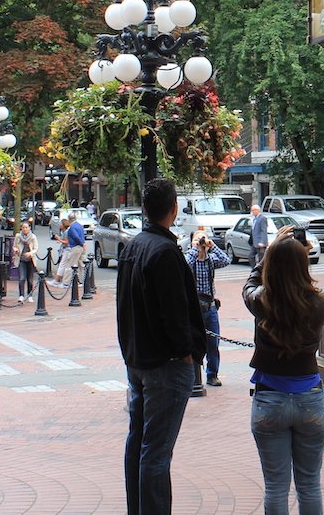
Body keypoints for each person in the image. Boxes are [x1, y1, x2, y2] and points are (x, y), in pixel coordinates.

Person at [117, 178, 206, 515]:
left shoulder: (134, 247)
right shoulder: (163, 251)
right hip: (165, 365)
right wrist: (186, 352)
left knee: (139, 443)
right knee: (155, 452)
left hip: (139, 361)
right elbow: (174, 313)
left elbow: (124, 308)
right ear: (173, 209)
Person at [243, 225, 324, 515]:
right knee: (309, 485)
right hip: (310, 397)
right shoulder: (321, 303)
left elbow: (249, 285)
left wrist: (269, 252)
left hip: (270, 398)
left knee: (275, 488)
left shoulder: (262, 301)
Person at [185, 229, 231, 387]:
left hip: (210, 307)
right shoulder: (191, 260)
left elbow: (226, 260)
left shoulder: (211, 260)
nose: (202, 242)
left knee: (213, 343)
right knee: (193, 342)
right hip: (194, 308)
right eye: (199, 239)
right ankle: (193, 377)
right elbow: (184, 265)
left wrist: (212, 246)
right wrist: (194, 248)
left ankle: (212, 374)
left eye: (204, 239)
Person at [55, 214, 86, 287]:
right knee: (81, 264)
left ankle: (66, 282)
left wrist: (81, 243)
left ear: (69, 219)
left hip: (76, 246)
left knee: (70, 265)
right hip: (81, 246)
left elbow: (75, 236)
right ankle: (83, 280)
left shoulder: (72, 227)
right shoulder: (79, 225)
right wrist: (83, 243)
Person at [12, 221, 38, 303]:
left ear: (29, 228)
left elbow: (36, 248)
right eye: (23, 227)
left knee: (30, 279)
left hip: (30, 260)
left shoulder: (33, 237)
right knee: (22, 278)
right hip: (21, 260)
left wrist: (30, 253)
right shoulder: (18, 236)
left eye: (26, 227)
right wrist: (15, 249)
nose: (25, 229)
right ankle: (21, 295)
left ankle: (30, 295)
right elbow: (14, 246)